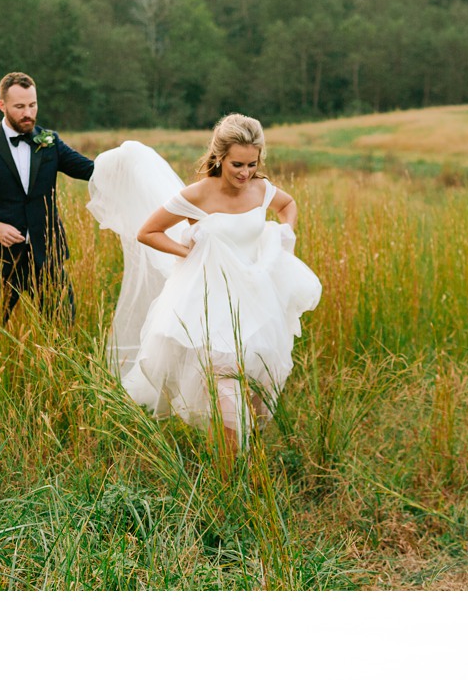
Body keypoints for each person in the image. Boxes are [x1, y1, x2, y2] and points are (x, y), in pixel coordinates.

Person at [85, 115, 321, 448]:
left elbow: (288, 205)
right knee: (225, 401)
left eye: (252, 164)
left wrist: (285, 233)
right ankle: (225, 485)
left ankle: (243, 470)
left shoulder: (261, 189)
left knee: (254, 396)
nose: (245, 173)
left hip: (255, 301)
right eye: (237, 164)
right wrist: (186, 251)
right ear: (219, 157)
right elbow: (148, 232)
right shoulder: (197, 195)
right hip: (211, 304)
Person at [0, 72, 96, 339]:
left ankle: (57, 381)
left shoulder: (50, 142)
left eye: (33, 105)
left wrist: (128, 160)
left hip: (46, 257)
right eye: (19, 107)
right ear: (2, 105)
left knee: (62, 334)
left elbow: (92, 170)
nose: (28, 113)